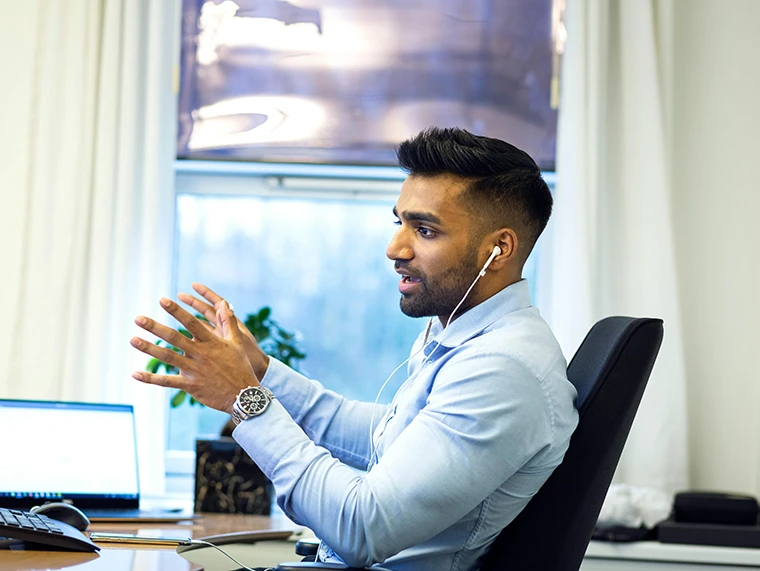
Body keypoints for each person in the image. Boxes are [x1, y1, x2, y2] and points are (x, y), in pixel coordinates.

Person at [129, 127, 579, 570]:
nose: (394, 248)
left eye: (424, 231)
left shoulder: (503, 369)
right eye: (399, 222)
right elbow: (381, 437)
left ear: (498, 249)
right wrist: (263, 373)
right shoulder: (470, 337)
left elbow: (361, 528)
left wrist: (244, 400)